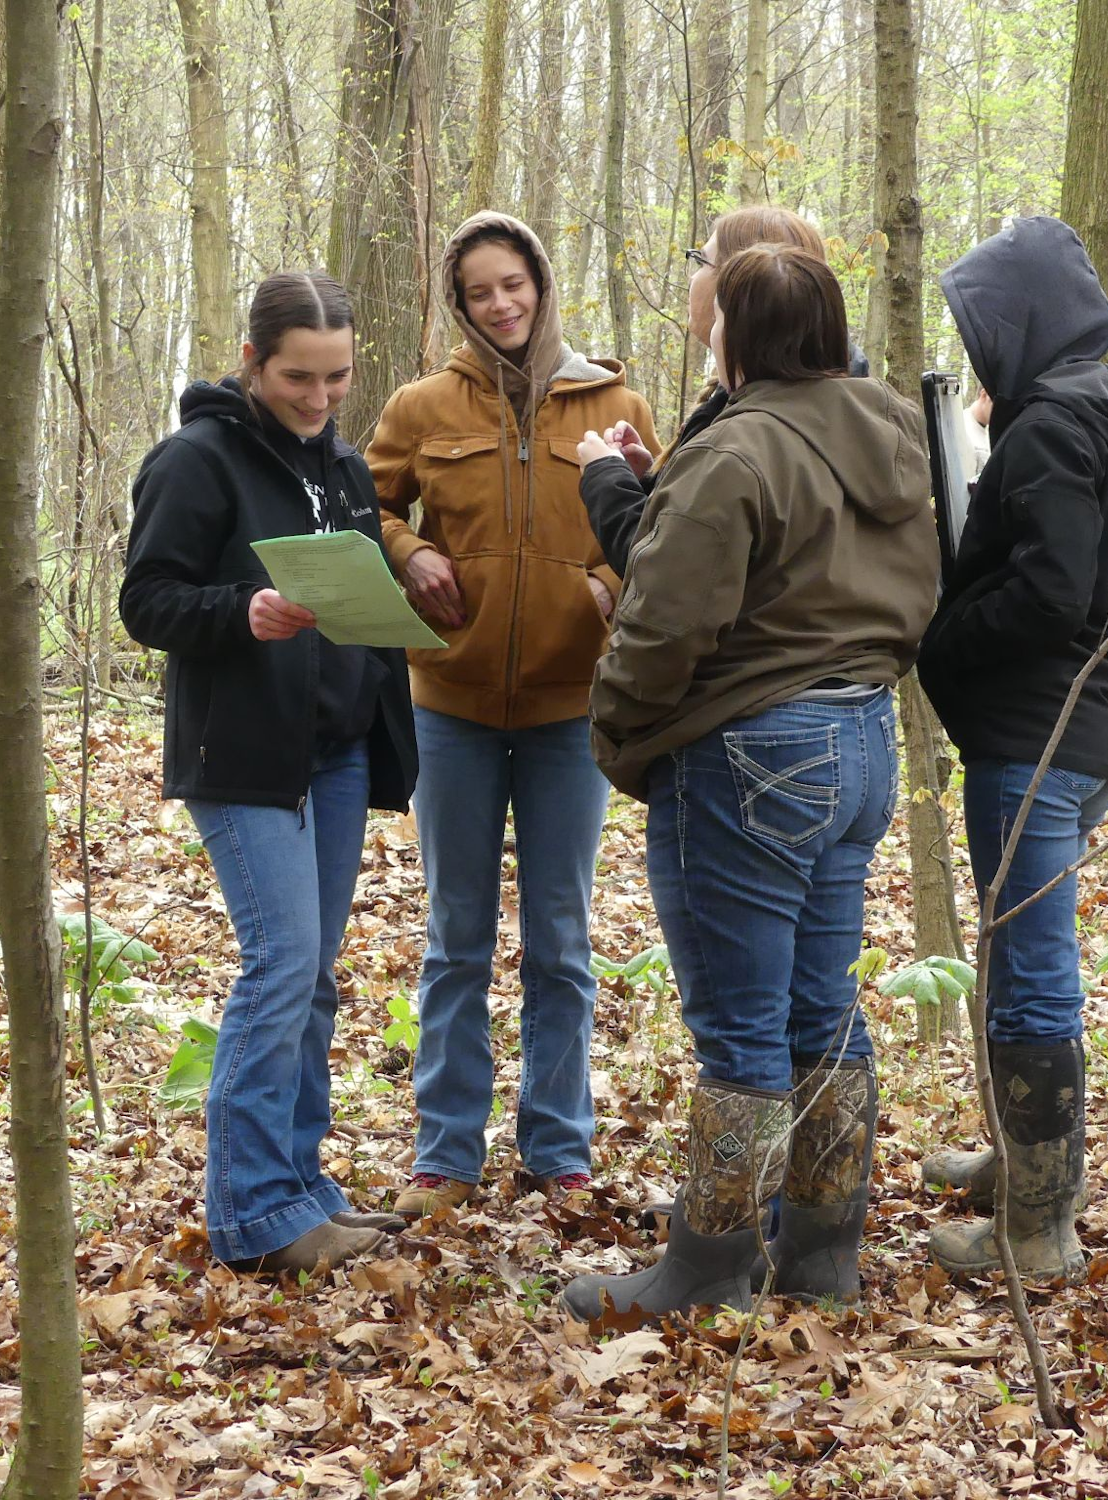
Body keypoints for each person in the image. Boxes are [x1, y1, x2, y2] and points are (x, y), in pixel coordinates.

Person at [559, 245, 938, 1320]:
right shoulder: (890, 429)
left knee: (740, 1024)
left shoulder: (736, 452)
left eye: (713, 322)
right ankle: (821, 1245)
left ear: (739, 336)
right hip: (859, 737)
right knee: (821, 1008)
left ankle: (709, 1267)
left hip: (752, 751)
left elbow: (662, 621)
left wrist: (620, 727)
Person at [120, 271, 418, 1273]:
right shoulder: (194, 461)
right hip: (241, 756)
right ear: (252, 362)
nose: (320, 397)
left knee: (315, 981)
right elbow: (147, 601)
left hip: (332, 750)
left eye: (337, 378)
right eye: (299, 377)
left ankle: (299, 1186)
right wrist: (239, 612)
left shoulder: (339, 466)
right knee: (280, 966)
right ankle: (251, 1214)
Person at [367, 212, 658, 1218]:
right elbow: (360, 505)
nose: (501, 303)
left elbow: (663, 523)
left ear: (540, 284)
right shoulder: (420, 407)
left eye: (513, 284)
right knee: (455, 935)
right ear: (460, 304)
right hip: (445, 705)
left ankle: (557, 1150)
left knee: (561, 940)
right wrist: (408, 555)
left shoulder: (612, 401)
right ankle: (444, 1155)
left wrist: (608, 577)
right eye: (480, 291)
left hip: (569, 712)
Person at [916, 216, 1108, 1283]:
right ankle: (1023, 1173)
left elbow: (1052, 592)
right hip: (1076, 728)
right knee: (1020, 959)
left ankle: (1035, 1231)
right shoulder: (1100, 416)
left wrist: (943, 637)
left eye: (985, 326)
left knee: (1030, 978)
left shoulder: (1050, 432)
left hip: (1037, 733)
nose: (977, 348)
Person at [577, 206, 865, 575]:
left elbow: (664, 574)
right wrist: (653, 483)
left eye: (702, 261)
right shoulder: (815, 408)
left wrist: (606, 477)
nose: (693, 278)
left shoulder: (753, 438)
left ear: (744, 286)